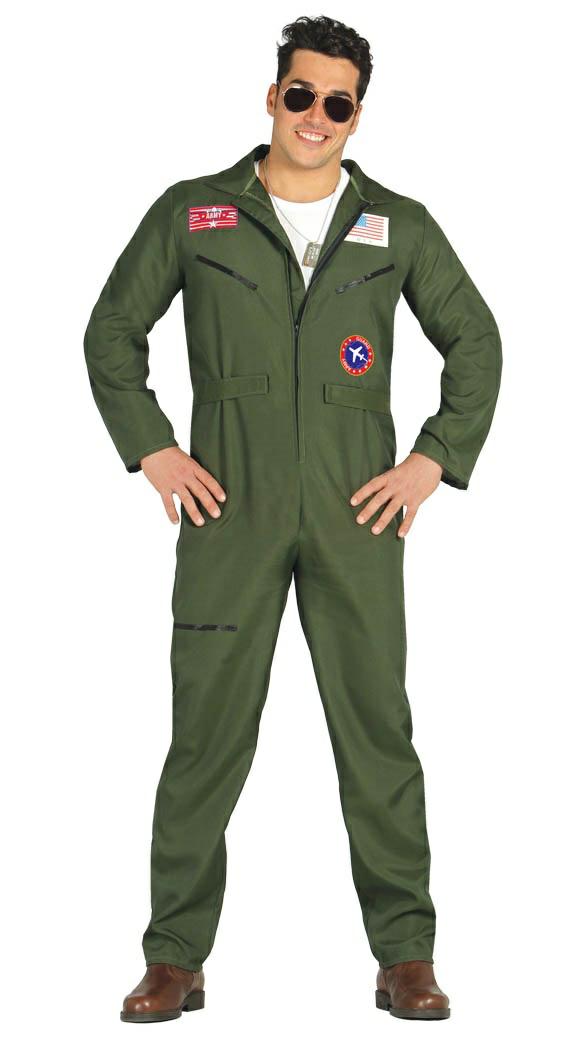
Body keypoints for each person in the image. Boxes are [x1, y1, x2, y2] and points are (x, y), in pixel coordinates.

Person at [83, 14, 502, 1024]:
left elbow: (476, 343)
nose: (317, 116)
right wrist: (153, 447)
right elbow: (111, 332)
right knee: (205, 734)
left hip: (358, 515)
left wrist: (432, 461)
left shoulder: (398, 225)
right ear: (273, 97)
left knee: (377, 731)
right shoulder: (195, 214)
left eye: (338, 103)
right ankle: (174, 957)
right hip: (227, 509)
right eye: (302, 94)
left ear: (357, 116)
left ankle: (405, 954)